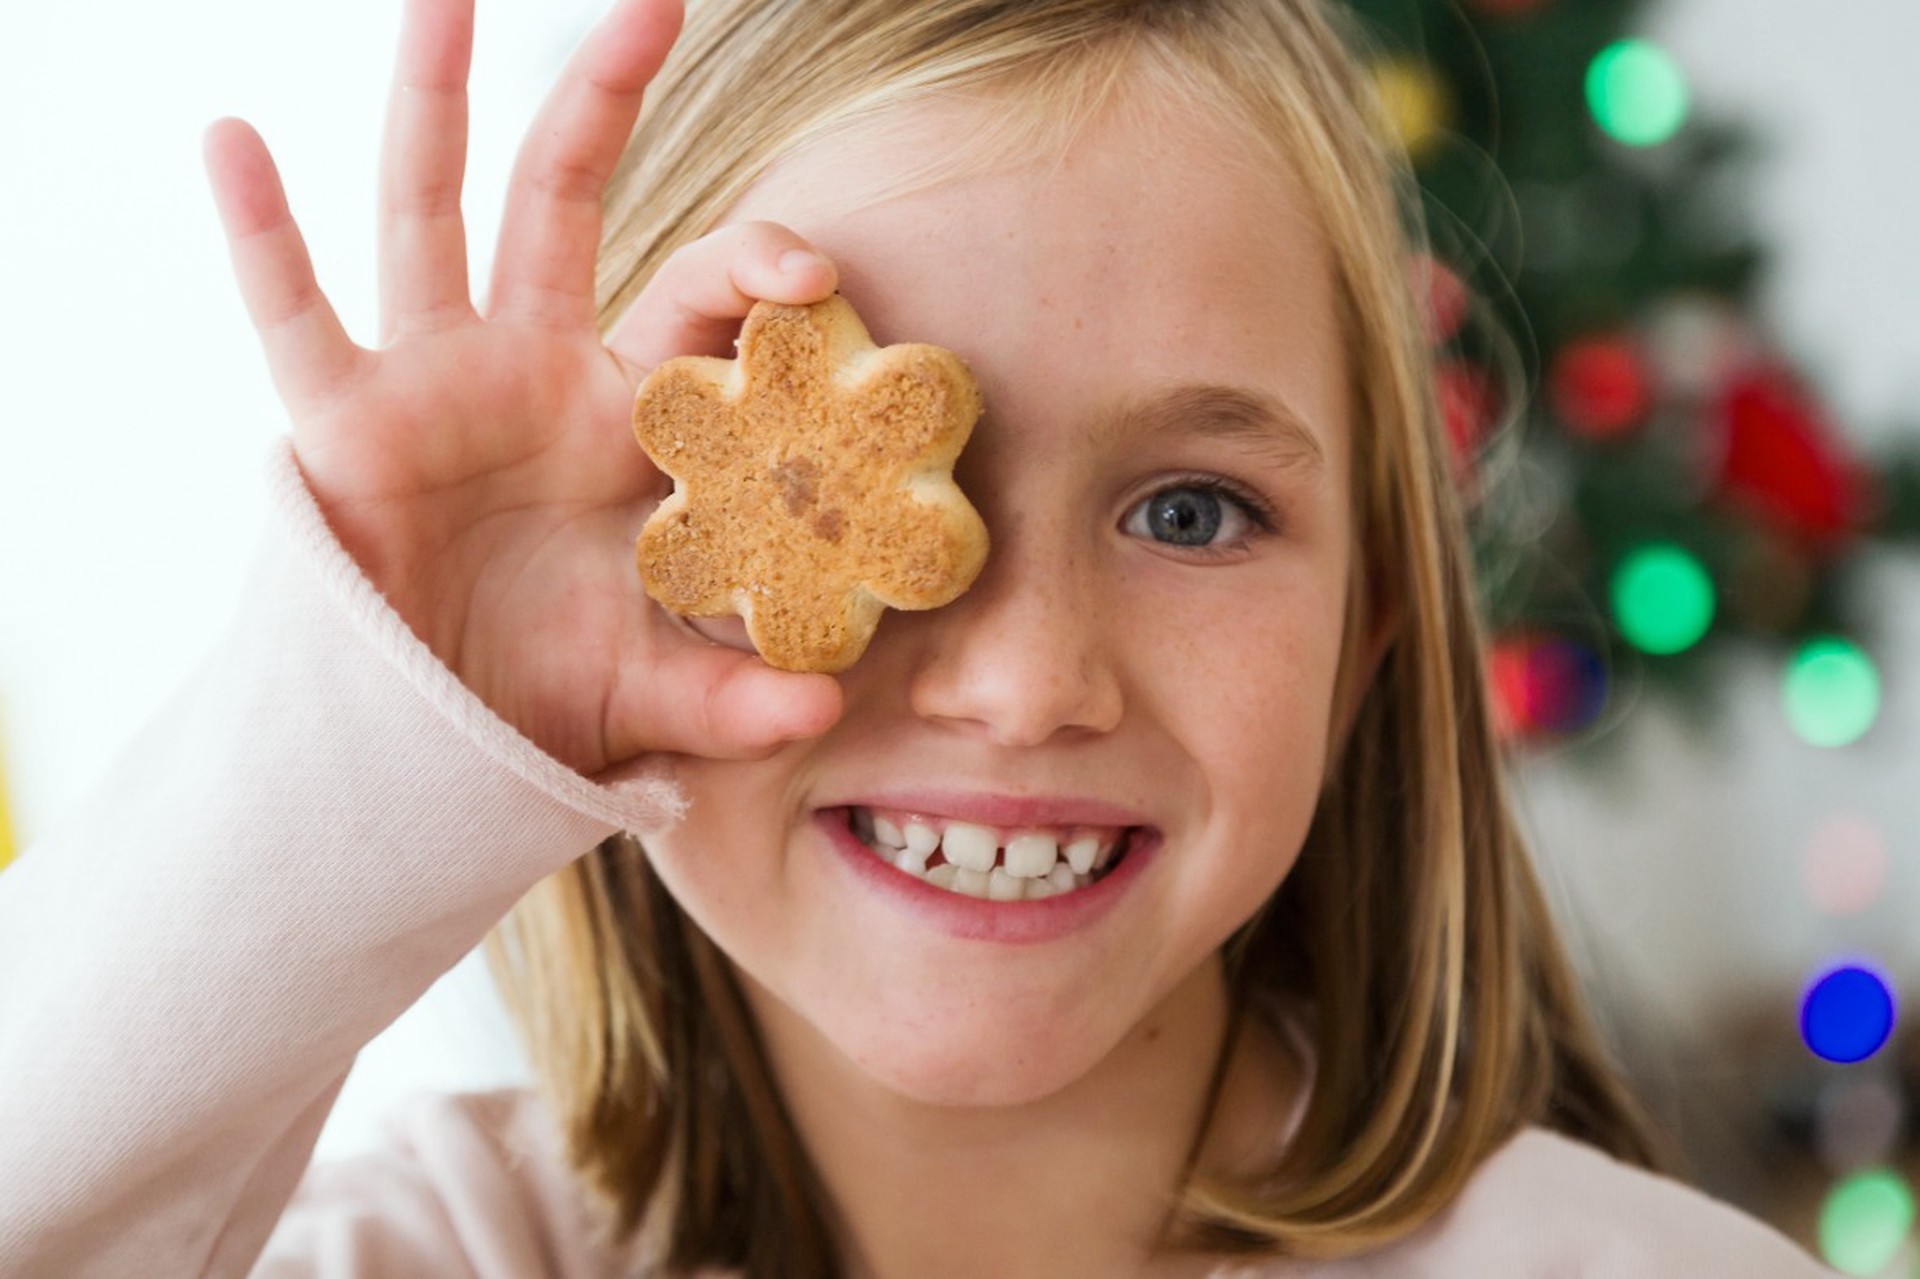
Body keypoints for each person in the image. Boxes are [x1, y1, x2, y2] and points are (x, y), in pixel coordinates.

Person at [0, 0, 1840, 1274]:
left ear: (1369, 628)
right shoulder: (431, 1256)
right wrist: (368, 728)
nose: (1028, 682)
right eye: (877, 485)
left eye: (1192, 511)